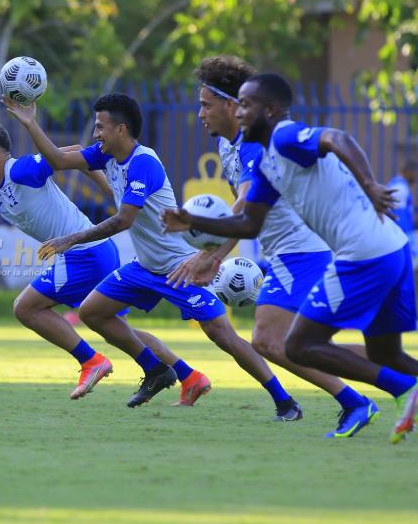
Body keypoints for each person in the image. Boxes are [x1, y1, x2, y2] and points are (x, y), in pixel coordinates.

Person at [162, 73, 418, 443]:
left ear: (270, 111)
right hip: (389, 249)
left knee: (297, 345)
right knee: (385, 351)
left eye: (246, 106)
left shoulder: (284, 136)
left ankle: (395, 392)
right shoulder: (267, 166)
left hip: (363, 256)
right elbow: (249, 223)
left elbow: (337, 138)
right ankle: (396, 388)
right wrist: (192, 221)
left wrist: (371, 185)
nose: (239, 113)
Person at [22, 92, 300, 417]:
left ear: (121, 129)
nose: (96, 134)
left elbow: (124, 219)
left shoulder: (143, 163)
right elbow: (58, 160)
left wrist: (73, 238)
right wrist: (29, 122)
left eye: (101, 127)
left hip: (180, 266)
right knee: (92, 312)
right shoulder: (105, 155)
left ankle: (285, 401)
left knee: (222, 335)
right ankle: (159, 370)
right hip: (144, 266)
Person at [0, 121, 198, 400]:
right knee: (120, 331)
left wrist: (107, 189)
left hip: (84, 254)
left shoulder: (20, 170)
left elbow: (70, 151)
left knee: (26, 308)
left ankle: (91, 362)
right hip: (95, 251)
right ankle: (189, 377)